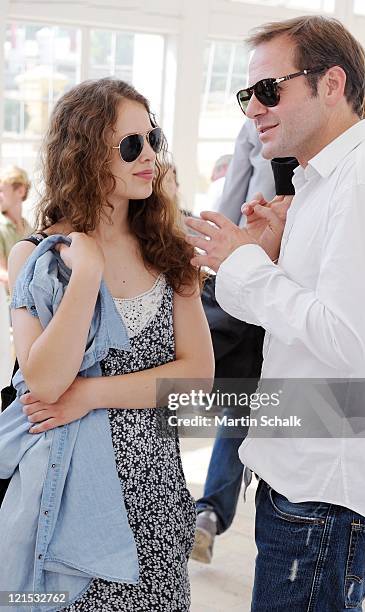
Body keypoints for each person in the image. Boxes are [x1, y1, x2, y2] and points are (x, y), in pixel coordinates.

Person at [185, 15, 365, 611]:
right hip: (306, 475)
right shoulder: (323, 182)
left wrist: (243, 264)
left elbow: (345, 338)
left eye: (269, 90)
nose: (253, 108)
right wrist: (268, 254)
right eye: (246, 95)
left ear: (331, 84)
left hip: (327, 490)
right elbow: (303, 314)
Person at [1, 77, 214, 611]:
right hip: (71, 496)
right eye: (129, 144)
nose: (149, 156)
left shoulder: (168, 248)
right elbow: (45, 381)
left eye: (152, 139)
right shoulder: (38, 256)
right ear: (87, 152)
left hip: (157, 493)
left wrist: (89, 394)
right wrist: (87, 274)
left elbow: (198, 381)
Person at [192, 122, 276, 563]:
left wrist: (211, 263)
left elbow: (229, 205)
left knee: (241, 405)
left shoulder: (256, 125)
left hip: (246, 274)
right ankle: (208, 513)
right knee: (249, 407)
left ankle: (207, 514)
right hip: (279, 281)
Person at [0, 166, 33, 391]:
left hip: (27, 301)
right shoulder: (2, 228)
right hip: (12, 303)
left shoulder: (28, 227)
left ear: (20, 191)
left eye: (2, 191)